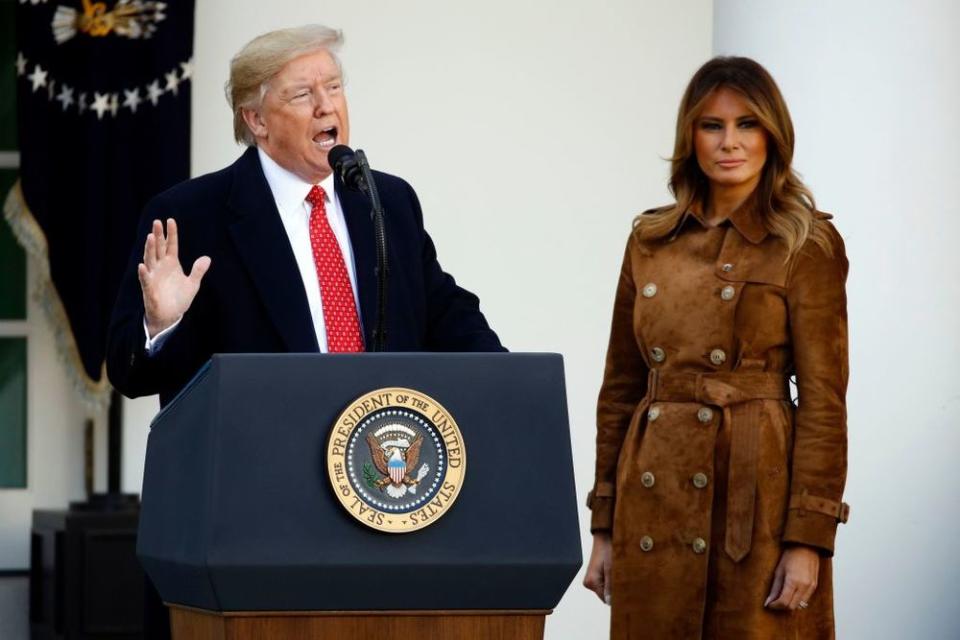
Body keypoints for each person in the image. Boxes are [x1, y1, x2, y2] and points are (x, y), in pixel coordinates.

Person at [106, 24, 503, 637]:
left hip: (383, 503)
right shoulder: (192, 214)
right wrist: (162, 321)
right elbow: (130, 371)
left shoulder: (386, 202)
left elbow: (445, 311)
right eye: (302, 94)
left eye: (335, 87)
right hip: (253, 519)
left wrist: (507, 386)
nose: (327, 106)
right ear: (256, 120)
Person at [582, 56, 849, 639]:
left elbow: (826, 404)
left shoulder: (807, 243)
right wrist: (605, 527)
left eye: (747, 124)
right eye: (713, 125)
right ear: (690, 137)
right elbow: (621, 389)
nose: (730, 142)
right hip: (654, 499)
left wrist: (809, 539)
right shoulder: (650, 239)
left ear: (772, 135)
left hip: (756, 509)